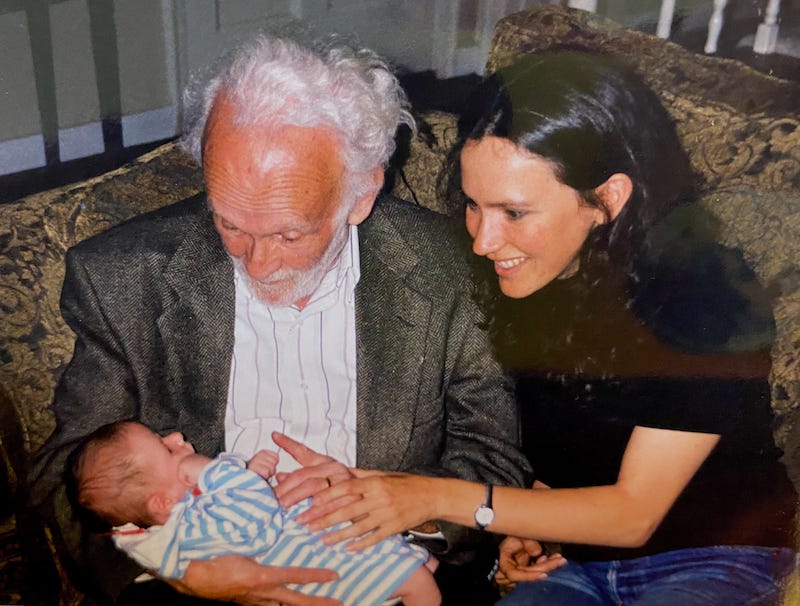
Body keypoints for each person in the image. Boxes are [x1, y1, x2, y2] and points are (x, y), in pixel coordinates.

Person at [28, 31, 530, 606]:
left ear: (362, 194)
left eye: (291, 233)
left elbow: (492, 455)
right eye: (231, 224)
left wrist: (406, 505)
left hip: (388, 572)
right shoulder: (121, 278)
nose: (259, 263)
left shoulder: (454, 272)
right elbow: (67, 472)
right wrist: (176, 573)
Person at [296, 51, 799, 606]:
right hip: (570, 565)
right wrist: (521, 529)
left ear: (607, 200)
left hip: (710, 557)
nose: (484, 242)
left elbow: (632, 514)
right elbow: (543, 454)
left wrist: (435, 497)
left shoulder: (706, 295)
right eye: (472, 205)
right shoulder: (514, 279)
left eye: (514, 213)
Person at [66, 421, 440, 606]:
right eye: (165, 449)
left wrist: (251, 471)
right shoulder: (192, 525)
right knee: (419, 585)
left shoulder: (186, 508)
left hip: (361, 521)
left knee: (424, 567)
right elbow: (251, 508)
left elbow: (241, 501)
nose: (176, 437)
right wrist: (209, 469)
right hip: (315, 559)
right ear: (161, 504)